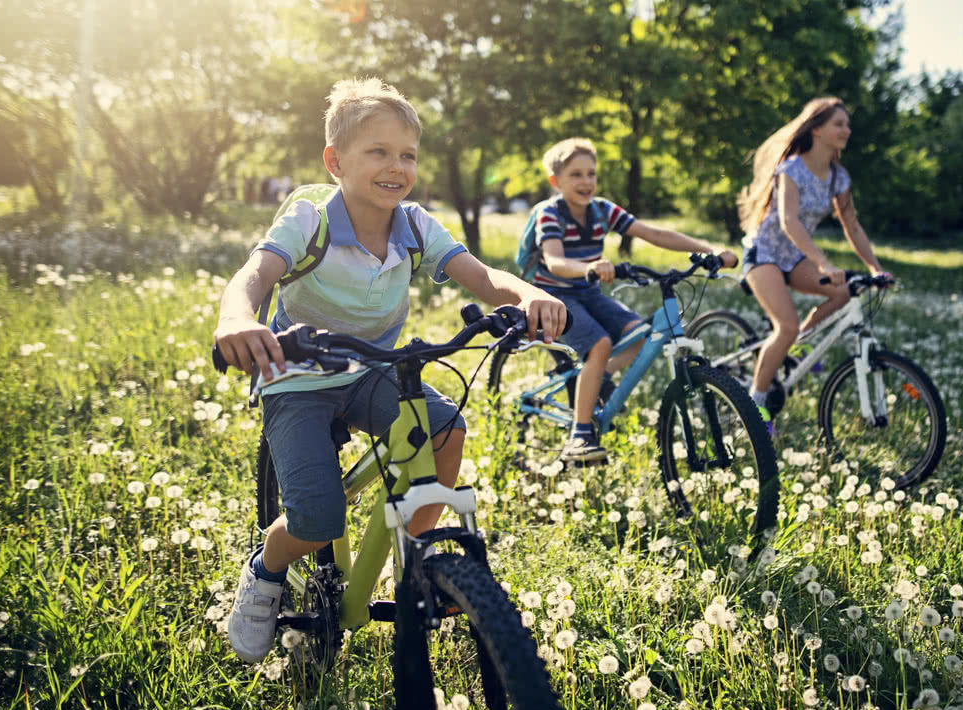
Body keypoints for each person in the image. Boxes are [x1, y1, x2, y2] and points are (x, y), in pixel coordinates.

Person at [213, 78, 567, 664]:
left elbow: (482, 278)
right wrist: (235, 319)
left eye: (407, 155)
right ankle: (267, 568)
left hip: (369, 369)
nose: (396, 166)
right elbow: (255, 275)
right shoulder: (310, 220)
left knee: (446, 429)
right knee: (318, 519)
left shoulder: (415, 225)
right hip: (297, 374)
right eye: (378, 152)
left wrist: (527, 293)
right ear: (335, 161)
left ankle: (419, 558)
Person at [527, 138, 737, 463]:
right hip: (554, 295)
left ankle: (596, 379)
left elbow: (654, 234)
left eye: (591, 174)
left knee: (639, 334)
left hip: (589, 291)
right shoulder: (549, 213)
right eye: (576, 174)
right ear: (556, 181)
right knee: (599, 344)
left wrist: (707, 249)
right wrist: (589, 268)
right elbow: (554, 262)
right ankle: (580, 435)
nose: (586, 182)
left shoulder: (602, 209)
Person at [735, 97, 890, 433]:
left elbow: (852, 226)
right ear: (817, 128)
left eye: (847, 124)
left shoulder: (838, 177)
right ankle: (755, 408)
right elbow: (790, 223)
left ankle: (797, 349)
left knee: (843, 293)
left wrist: (875, 267)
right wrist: (822, 263)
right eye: (839, 123)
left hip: (795, 258)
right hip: (765, 254)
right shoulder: (791, 170)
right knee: (786, 326)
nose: (846, 130)